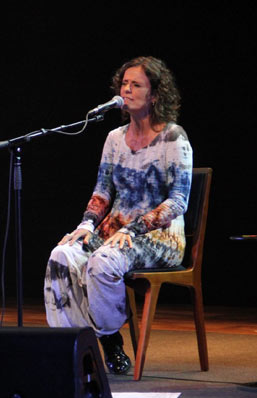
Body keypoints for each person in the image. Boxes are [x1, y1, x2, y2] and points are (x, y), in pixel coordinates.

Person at [43, 56, 192, 374]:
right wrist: (85, 225)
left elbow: (179, 201)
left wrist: (136, 228)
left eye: (136, 84)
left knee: (103, 261)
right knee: (61, 256)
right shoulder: (114, 138)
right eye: (124, 83)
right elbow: (103, 192)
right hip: (116, 231)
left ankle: (109, 340)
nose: (126, 89)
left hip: (158, 236)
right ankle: (73, 348)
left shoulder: (173, 137)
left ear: (154, 95)